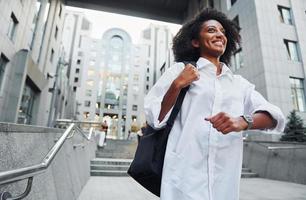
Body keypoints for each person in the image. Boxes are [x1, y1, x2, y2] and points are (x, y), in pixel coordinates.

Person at [144, 8, 285, 200]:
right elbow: (155, 118)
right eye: (211, 30)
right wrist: (177, 85)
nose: (219, 34)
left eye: (223, 32)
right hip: (183, 179)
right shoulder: (179, 71)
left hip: (224, 183)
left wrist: (243, 122)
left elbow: (275, 117)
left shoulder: (238, 84)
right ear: (195, 41)